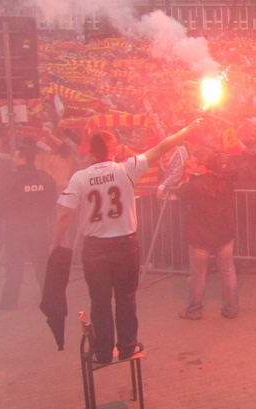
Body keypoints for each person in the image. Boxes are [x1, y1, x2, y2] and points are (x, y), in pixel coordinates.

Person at [52, 120, 205, 364]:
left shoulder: (80, 178)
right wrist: (188, 129)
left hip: (94, 247)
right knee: (125, 299)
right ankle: (127, 346)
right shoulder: (126, 169)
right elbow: (162, 147)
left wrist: (55, 244)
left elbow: (64, 215)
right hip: (124, 244)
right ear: (114, 150)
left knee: (99, 301)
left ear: (91, 151)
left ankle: (103, 351)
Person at [177, 148, 239, 319]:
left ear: (202, 167)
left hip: (201, 234)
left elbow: (181, 192)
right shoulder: (225, 181)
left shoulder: (195, 186)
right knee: (227, 270)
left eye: (193, 161)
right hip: (224, 232)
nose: (189, 163)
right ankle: (231, 308)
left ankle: (194, 310)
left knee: (198, 275)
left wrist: (187, 182)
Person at [0, 146, 58, 310]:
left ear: (23, 159)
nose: (13, 159)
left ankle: (9, 301)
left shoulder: (10, 178)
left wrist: (11, 218)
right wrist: (41, 215)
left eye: (16, 157)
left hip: (16, 228)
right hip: (38, 227)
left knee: (14, 265)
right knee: (42, 264)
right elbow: (52, 199)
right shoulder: (44, 177)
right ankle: (50, 299)